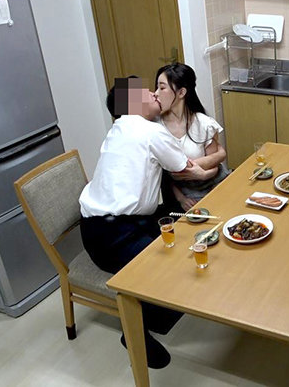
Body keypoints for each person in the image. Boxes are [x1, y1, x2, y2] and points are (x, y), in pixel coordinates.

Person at [78, 77, 212, 369]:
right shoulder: (150, 131)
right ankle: (134, 331)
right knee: (172, 261)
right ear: (130, 103)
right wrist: (210, 169)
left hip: (93, 230)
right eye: (146, 91)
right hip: (116, 236)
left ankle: (164, 311)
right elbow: (186, 168)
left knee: (181, 231)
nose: (153, 93)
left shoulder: (118, 129)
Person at [154, 63, 228, 211]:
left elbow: (215, 166)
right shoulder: (155, 127)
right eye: (157, 87)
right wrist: (181, 198)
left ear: (181, 92)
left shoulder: (204, 123)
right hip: (184, 196)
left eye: (162, 88)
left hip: (215, 184)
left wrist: (203, 175)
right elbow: (164, 173)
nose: (155, 93)